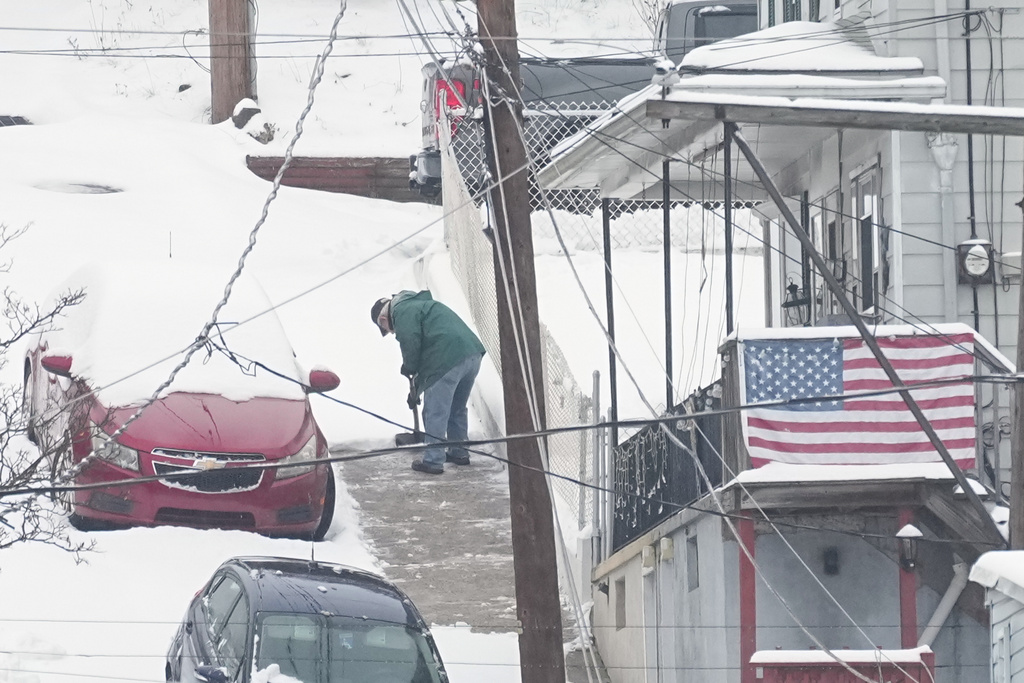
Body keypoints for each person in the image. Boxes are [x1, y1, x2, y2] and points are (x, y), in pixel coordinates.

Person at [371, 291, 485, 474]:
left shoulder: (401, 312)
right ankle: (459, 452)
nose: (392, 333)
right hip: (472, 355)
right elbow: (428, 351)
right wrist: (415, 389)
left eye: (388, 329)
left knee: (435, 412)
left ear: (383, 319)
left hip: (447, 359)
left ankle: (433, 461)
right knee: (456, 408)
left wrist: (409, 367)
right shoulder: (418, 305)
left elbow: (411, 343)